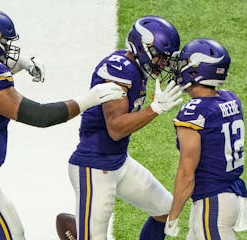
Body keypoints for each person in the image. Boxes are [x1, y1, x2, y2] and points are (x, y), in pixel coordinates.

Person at [0, 8, 125, 240]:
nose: (8, 48)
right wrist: (89, 99)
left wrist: (22, 64)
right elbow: (40, 116)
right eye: (3, 42)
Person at [66, 16, 183, 240]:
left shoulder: (134, 65)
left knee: (165, 209)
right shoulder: (118, 70)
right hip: (94, 167)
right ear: (143, 48)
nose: (163, 64)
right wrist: (154, 109)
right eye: (160, 58)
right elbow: (116, 129)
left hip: (118, 161)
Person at [164, 38, 247, 239]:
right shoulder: (230, 99)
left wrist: (173, 216)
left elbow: (186, 173)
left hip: (213, 203)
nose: (179, 69)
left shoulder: (194, 112)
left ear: (196, 71)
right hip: (230, 196)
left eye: (184, 64)